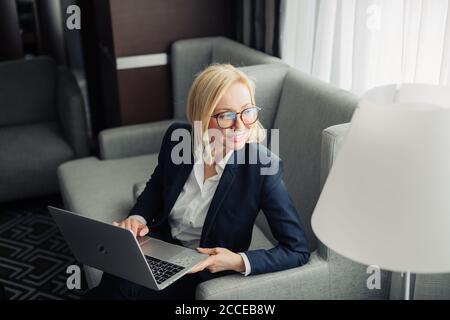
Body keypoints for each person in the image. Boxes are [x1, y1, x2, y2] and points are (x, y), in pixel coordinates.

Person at [84, 64, 310, 300]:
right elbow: (157, 184)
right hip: (160, 242)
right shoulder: (178, 139)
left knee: (123, 291)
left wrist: (236, 261)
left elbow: (296, 249)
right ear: (201, 116)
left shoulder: (262, 167)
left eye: (247, 111)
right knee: (118, 275)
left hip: (202, 264)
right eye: (226, 116)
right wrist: (137, 218)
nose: (241, 126)